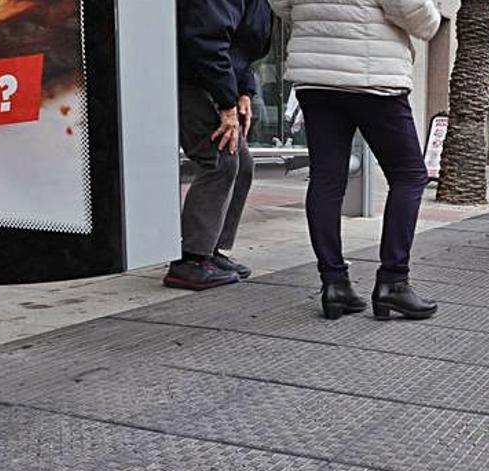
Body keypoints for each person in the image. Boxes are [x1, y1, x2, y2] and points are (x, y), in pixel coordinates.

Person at [270, 0, 440, 320]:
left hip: (315, 76)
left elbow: (281, 5)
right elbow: (415, 13)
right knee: (409, 175)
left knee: (326, 178)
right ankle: (394, 281)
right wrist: (429, 20)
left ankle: (334, 284)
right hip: (373, 74)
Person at [170, 0, 272, 290]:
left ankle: (210, 250)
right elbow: (206, 41)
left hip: (213, 81)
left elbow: (239, 48)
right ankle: (190, 260)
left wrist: (244, 92)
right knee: (220, 161)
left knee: (242, 166)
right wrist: (227, 102)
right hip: (190, 81)